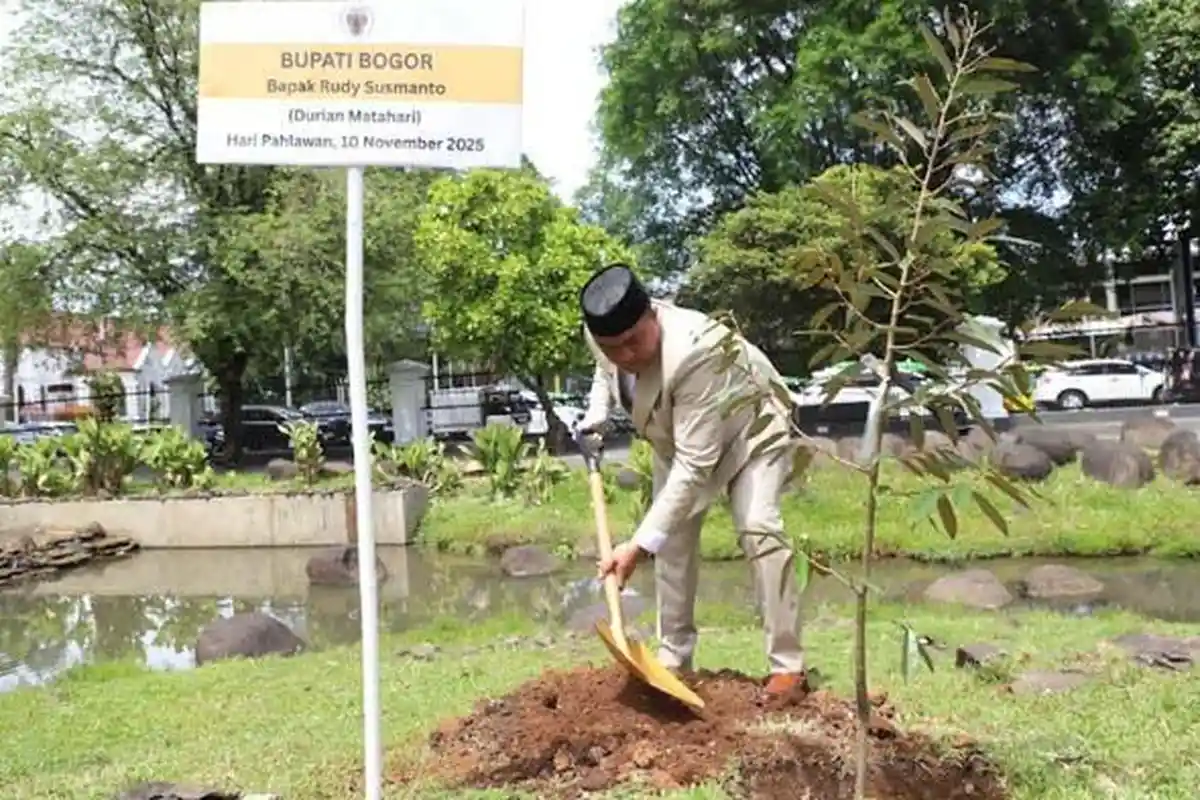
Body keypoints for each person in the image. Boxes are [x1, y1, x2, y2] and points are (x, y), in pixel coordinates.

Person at [576, 263, 806, 694]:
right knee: (673, 546)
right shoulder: (602, 336)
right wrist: (596, 417)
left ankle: (787, 666)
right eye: (614, 348)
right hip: (677, 440)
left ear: (652, 314)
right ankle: (674, 659)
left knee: (759, 528)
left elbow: (695, 467)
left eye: (633, 342)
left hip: (750, 430)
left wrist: (637, 546)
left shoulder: (694, 352)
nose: (625, 355)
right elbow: (603, 372)